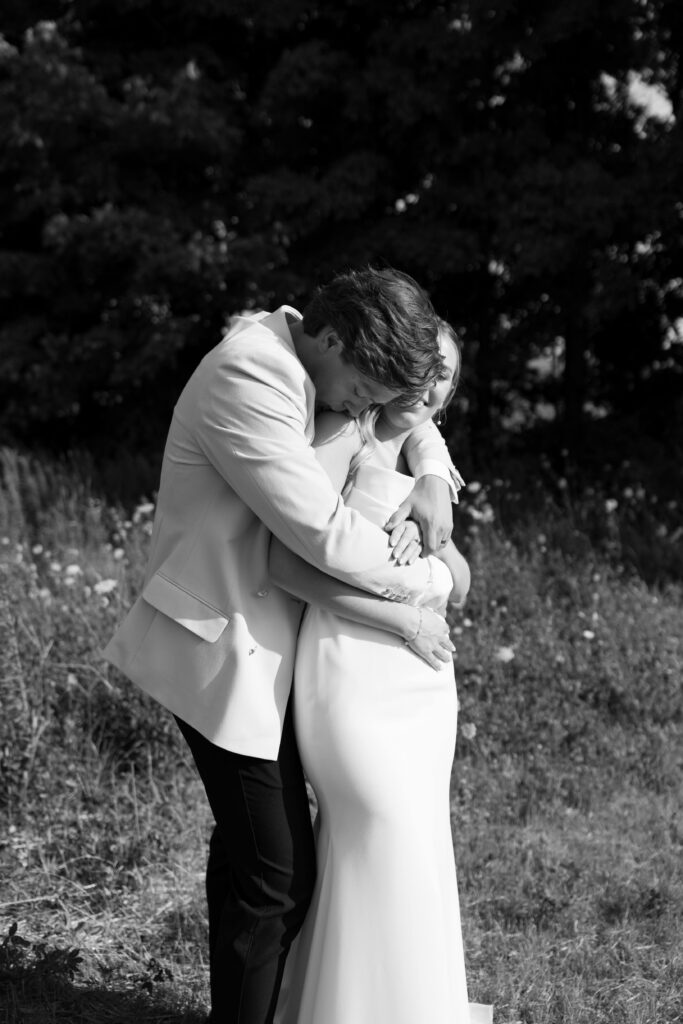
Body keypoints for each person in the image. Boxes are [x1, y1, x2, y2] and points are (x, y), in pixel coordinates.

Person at [103, 266, 464, 1024]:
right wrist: (427, 580)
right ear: (332, 338)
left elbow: (410, 413)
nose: (361, 410)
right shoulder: (250, 375)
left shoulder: (321, 363)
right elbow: (321, 535)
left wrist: (432, 473)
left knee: (249, 859)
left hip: (282, 651)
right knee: (277, 877)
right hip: (223, 648)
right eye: (361, 391)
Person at [269, 323, 492, 1024]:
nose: (430, 387)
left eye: (445, 376)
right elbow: (284, 565)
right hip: (351, 671)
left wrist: (431, 530)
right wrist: (402, 618)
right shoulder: (341, 435)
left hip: (423, 688)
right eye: (423, 369)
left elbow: (460, 584)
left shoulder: (430, 461)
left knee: (413, 841)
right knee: (379, 825)